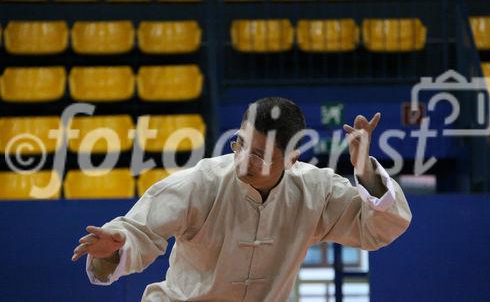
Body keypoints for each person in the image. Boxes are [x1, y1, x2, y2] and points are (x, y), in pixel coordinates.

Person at [72, 97, 412, 302]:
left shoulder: (316, 191)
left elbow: (376, 230)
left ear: (293, 158)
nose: (243, 159)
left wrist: (365, 170)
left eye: (259, 154)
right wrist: (116, 247)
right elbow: (138, 230)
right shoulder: (203, 183)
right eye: (240, 143)